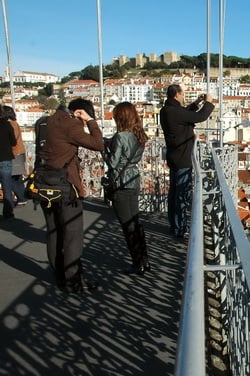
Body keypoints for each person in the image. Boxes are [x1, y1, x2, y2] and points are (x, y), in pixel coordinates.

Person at [36, 99, 104, 293]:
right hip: (66, 188)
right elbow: (98, 144)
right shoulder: (70, 123)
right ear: (78, 112)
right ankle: (73, 281)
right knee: (72, 235)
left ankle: (59, 276)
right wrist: (90, 121)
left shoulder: (44, 121)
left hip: (43, 185)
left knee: (53, 232)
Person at [159, 84, 214, 239]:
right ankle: (180, 228)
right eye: (182, 94)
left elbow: (184, 114)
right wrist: (208, 103)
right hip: (183, 157)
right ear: (177, 94)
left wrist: (197, 102)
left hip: (173, 156)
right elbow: (199, 117)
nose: (183, 97)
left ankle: (174, 224)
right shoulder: (175, 112)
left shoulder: (166, 110)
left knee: (174, 193)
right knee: (181, 194)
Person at [104, 102, 150, 275]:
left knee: (127, 226)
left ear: (120, 117)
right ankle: (144, 259)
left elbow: (113, 163)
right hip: (133, 179)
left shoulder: (121, 136)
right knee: (135, 223)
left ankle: (137, 263)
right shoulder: (139, 134)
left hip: (121, 183)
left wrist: (104, 149)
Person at [4, 106, 27, 206]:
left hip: (15, 153)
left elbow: (12, 140)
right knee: (16, 178)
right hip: (18, 152)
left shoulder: (11, 125)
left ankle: (21, 197)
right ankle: (22, 197)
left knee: (12, 177)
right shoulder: (14, 123)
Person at [0, 107, 16, 219]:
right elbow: (13, 142)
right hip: (5, 157)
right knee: (7, 186)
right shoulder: (7, 125)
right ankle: (8, 212)